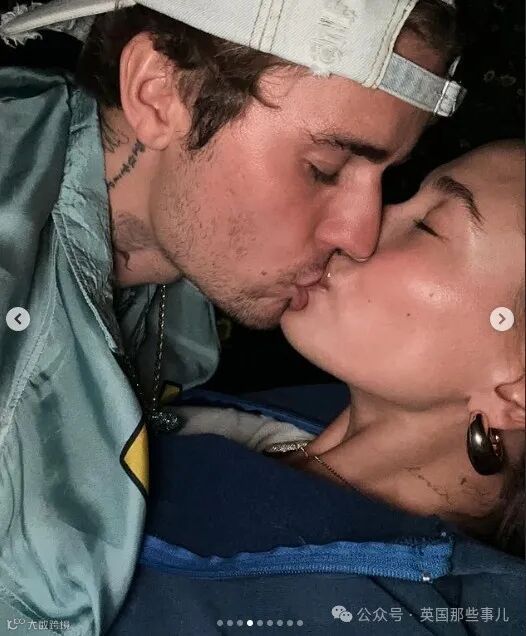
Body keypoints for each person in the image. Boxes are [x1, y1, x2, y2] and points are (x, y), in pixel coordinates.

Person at [0, 1, 465, 633]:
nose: (361, 236)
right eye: (324, 169)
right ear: (159, 94)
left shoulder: (182, 281)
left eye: (387, 177)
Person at [108, 141, 525, 635]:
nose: (360, 226)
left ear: (514, 392)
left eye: (428, 227)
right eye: (406, 194)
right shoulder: (299, 418)